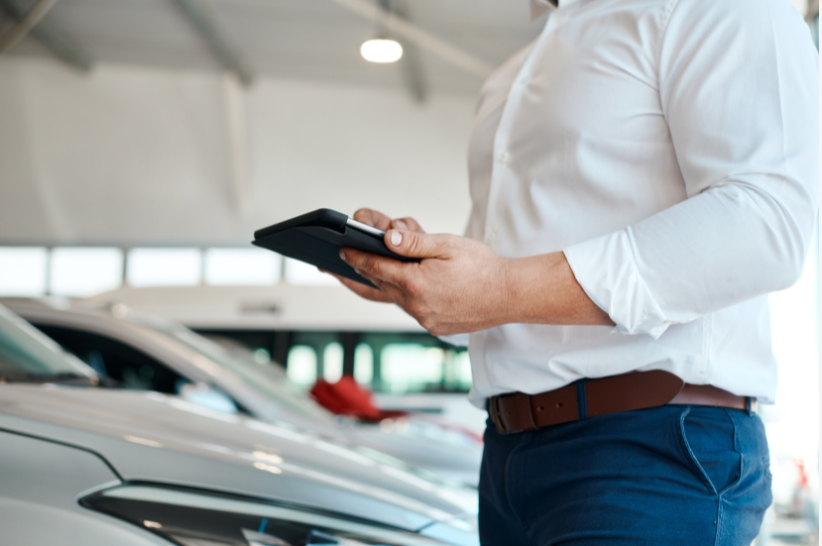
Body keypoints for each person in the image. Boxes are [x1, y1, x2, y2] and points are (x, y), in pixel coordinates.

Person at [330, 0, 819, 543]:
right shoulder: (513, 72)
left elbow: (766, 221)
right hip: (509, 451)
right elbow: (513, 259)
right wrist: (418, 275)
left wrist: (499, 289)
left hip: (650, 452)